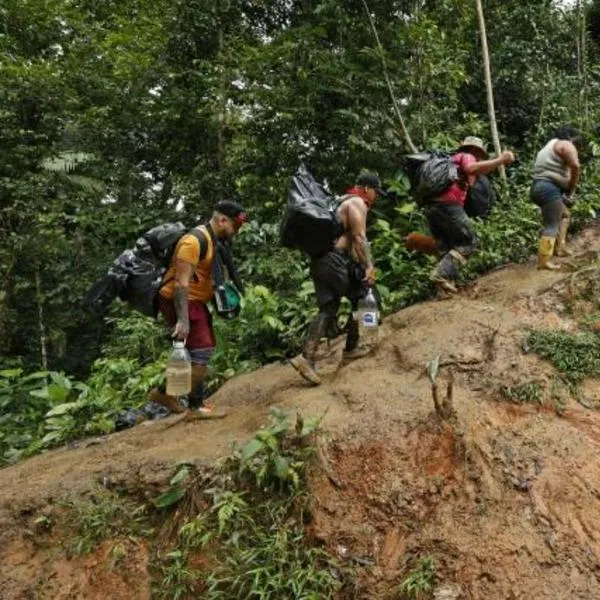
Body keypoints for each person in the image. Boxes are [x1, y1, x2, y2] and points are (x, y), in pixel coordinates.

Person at [148, 200, 248, 415]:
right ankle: (196, 406)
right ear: (222, 220)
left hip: (195, 301)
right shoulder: (193, 241)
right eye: (235, 226)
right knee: (202, 349)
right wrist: (182, 320)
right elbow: (180, 283)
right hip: (181, 300)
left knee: (189, 351)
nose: (236, 232)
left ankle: (165, 394)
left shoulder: (213, 241)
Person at [290, 172, 383, 385]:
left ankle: (306, 359)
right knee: (362, 295)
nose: (376, 196)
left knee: (328, 308)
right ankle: (352, 348)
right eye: (376, 191)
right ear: (367, 188)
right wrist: (369, 267)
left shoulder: (338, 201)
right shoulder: (358, 202)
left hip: (319, 261)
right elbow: (359, 238)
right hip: (334, 261)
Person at [425, 136, 515, 293]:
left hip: (433, 207)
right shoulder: (467, 156)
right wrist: (500, 160)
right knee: (469, 242)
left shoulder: (451, 162)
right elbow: (471, 169)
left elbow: (477, 170)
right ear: (475, 150)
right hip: (449, 205)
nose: (479, 158)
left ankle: (443, 290)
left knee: (446, 247)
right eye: (479, 154)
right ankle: (440, 275)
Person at [530, 126, 582, 269]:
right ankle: (544, 261)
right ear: (569, 137)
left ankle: (560, 247)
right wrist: (571, 188)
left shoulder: (548, 146)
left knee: (565, 215)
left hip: (539, 187)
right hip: (549, 188)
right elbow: (575, 166)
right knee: (551, 225)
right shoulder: (565, 144)